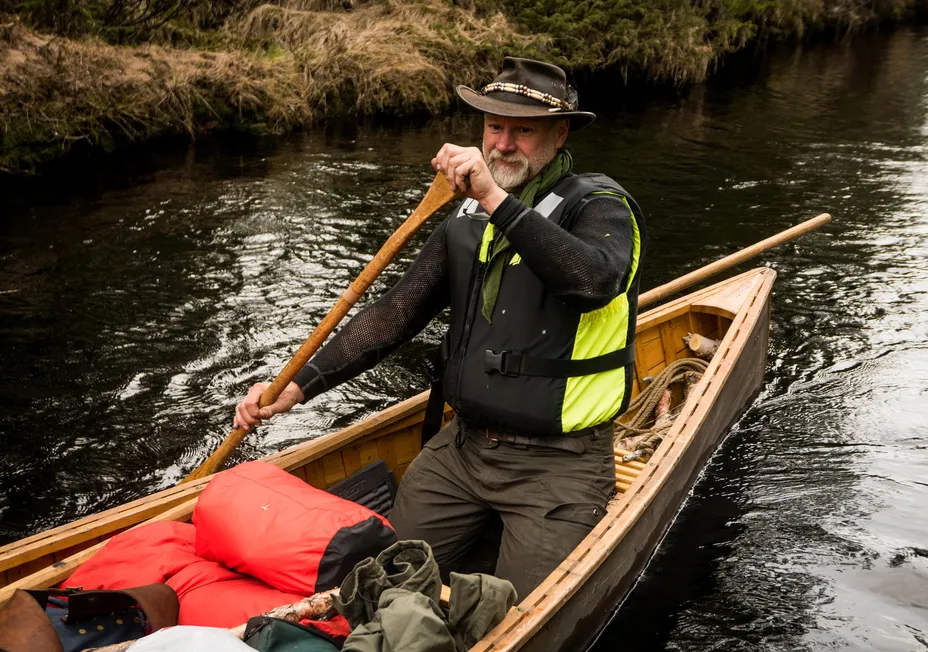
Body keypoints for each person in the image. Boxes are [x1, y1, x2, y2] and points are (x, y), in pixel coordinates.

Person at [233, 57, 648, 600]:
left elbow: (593, 279)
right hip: (462, 452)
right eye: (494, 127)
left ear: (559, 132)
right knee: (375, 593)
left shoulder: (599, 205)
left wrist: (495, 201)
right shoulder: (465, 218)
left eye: (523, 130)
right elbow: (394, 315)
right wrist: (301, 383)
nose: (502, 144)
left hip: (559, 467)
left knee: (513, 618)